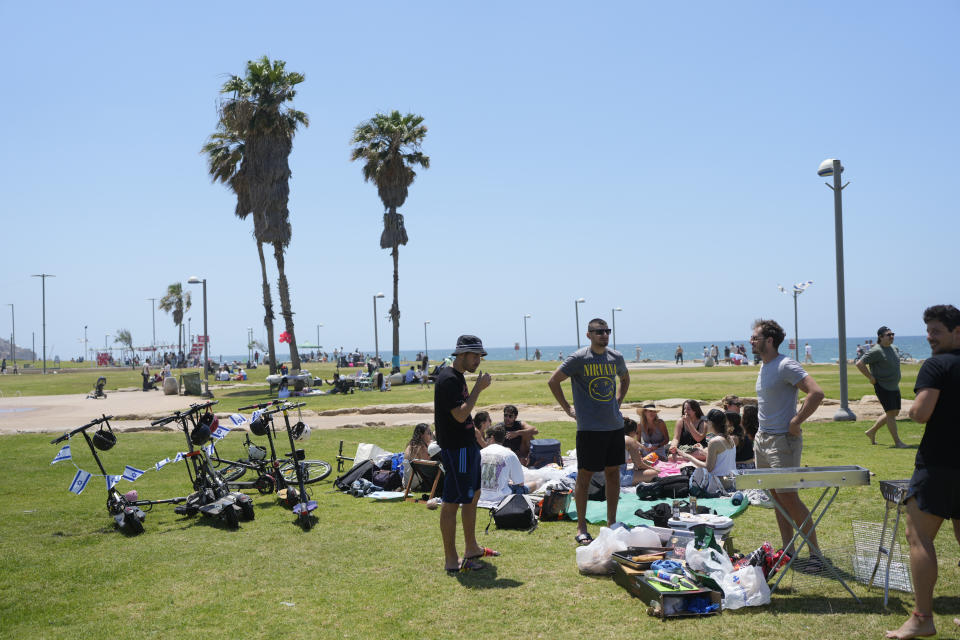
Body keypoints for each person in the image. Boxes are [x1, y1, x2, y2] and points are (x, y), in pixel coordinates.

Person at [885, 305, 960, 640]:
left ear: (957, 332)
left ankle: (922, 618)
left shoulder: (937, 365)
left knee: (919, 537)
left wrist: (914, 410)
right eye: (928, 331)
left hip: (939, 464)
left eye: (936, 332)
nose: (929, 338)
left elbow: (921, 412)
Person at [750, 318, 825, 570]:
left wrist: (796, 421)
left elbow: (816, 393)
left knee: (789, 498)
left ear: (769, 341)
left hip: (782, 442)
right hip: (763, 440)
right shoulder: (764, 367)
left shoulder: (785, 365)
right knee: (776, 498)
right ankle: (788, 551)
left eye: (755, 337)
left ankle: (816, 555)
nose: (751, 341)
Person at [548, 318, 629, 546]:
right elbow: (553, 381)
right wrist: (567, 408)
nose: (604, 335)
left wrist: (618, 401)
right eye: (599, 332)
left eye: (607, 331)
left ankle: (611, 522)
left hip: (614, 426)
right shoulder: (578, 359)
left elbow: (625, 378)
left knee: (613, 474)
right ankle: (581, 526)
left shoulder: (616, 357)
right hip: (590, 429)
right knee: (585, 476)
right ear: (589, 335)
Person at [434, 335, 495, 573]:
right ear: (461, 354)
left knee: (473, 495)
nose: (478, 360)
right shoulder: (448, 378)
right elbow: (460, 415)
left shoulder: (457, 377)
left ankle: (472, 547)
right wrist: (478, 389)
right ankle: (452, 560)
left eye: (480, 356)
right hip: (457, 449)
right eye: (475, 355)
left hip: (466, 447)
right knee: (451, 503)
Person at [858, 326, 908, 448]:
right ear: (880, 337)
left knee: (894, 412)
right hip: (882, 386)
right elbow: (860, 364)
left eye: (892, 334)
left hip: (894, 385)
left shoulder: (894, 348)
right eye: (888, 335)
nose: (892, 337)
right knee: (891, 413)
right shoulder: (876, 350)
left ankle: (871, 431)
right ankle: (898, 442)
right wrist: (870, 377)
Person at [677, 408, 737, 477]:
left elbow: (708, 468)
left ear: (710, 423)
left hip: (718, 483)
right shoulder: (729, 438)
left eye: (706, 421)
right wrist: (702, 451)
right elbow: (721, 457)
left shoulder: (714, 441)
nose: (704, 423)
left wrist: (688, 456)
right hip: (731, 480)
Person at [478, 423, 528, 506]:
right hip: (500, 497)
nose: (486, 441)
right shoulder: (509, 454)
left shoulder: (480, 453)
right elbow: (520, 483)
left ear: (492, 438)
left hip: (480, 495)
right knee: (527, 486)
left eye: (487, 438)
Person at [622, 417, 659, 485]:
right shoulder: (629, 441)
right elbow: (639, 465)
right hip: (617, 478)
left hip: (604, 475)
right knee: (654, 474)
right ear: (633, 432)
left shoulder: (613, 436)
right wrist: (653, 469)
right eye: (636, 433)